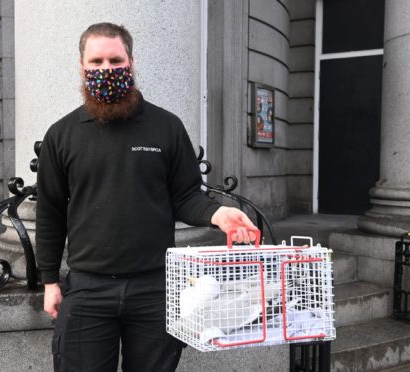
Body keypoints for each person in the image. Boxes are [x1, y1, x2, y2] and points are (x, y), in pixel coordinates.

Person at [36, 22, 258, 372]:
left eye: (115, 60)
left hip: (155, 289)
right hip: (87, 290)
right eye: (96, 62)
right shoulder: (62, 135)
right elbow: (49, 209)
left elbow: (186, 195)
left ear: (131, 62)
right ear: (82, 66)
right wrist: (50, 280)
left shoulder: (165, 127)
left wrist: (218, 215)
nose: (106, 70)